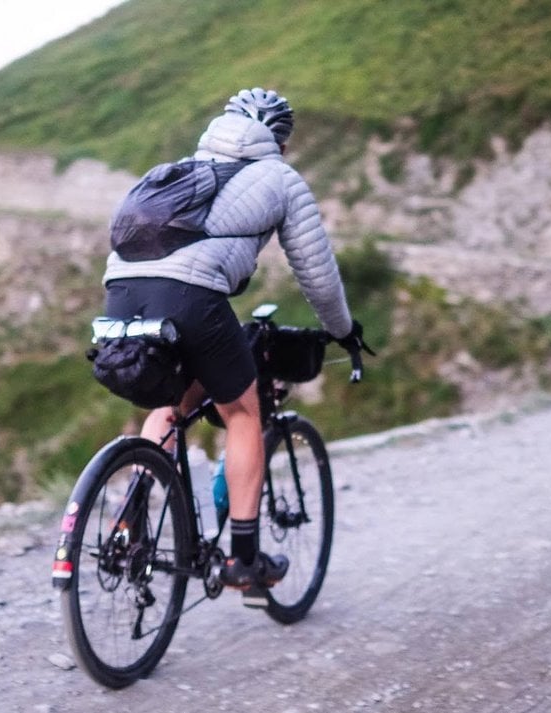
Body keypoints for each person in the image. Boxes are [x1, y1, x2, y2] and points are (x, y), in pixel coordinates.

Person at [101, 87, 366, 606]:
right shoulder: (280, 178)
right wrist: (342, 328)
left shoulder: (176, 171)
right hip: (193, 296)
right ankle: (243, 559)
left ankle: (130, 527)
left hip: (120, 293)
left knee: (170, 406)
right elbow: (316, 272)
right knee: (243, 412)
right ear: (280, 143)